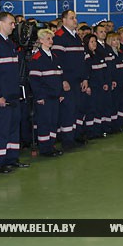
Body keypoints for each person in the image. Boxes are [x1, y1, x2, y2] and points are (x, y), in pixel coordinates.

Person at [0, 12, 30, 173]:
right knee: (0, 130)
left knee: (12, 128)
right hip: (1, 96)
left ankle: (11, 158)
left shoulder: (9, 43)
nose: (14, 26)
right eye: (11, 23)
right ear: (1, 24)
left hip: (13, 94)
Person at [52, 9, 88, 149]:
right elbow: (56, 60)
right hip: (68, 81)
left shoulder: (76, 37)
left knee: (78, 109)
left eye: (75, 18)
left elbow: (83, 60)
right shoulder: (59, 36)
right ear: (64, 20)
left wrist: (85, 78)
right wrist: (63, 79)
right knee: (68, 111)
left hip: (78, 80)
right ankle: (67, 141)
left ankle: (76, 136)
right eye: (72, 18)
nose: (75, 20)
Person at [28, 29, 64, 157]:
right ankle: (44, 148)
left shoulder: (54, 57)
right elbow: (34, 80)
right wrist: (40, 96)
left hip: (55, 96)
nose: (51, 41)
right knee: (44, 123)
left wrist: (60, 93)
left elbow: (59, 77)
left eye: (51, 39)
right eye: (48, 39)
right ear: (41, 40)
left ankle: (51, 145)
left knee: (54, 122)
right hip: (45, 97)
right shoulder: (36, 58)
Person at [106, 32, 123, 132]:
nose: (116, 42)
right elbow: (110, 70)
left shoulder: (121, 53)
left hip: (122, 82)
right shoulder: (108, 53)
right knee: (114, 105)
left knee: (121, 104)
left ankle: (120, 124)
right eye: (114, 40)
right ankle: (113, 125)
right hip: (115, 83)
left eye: (117, 40)